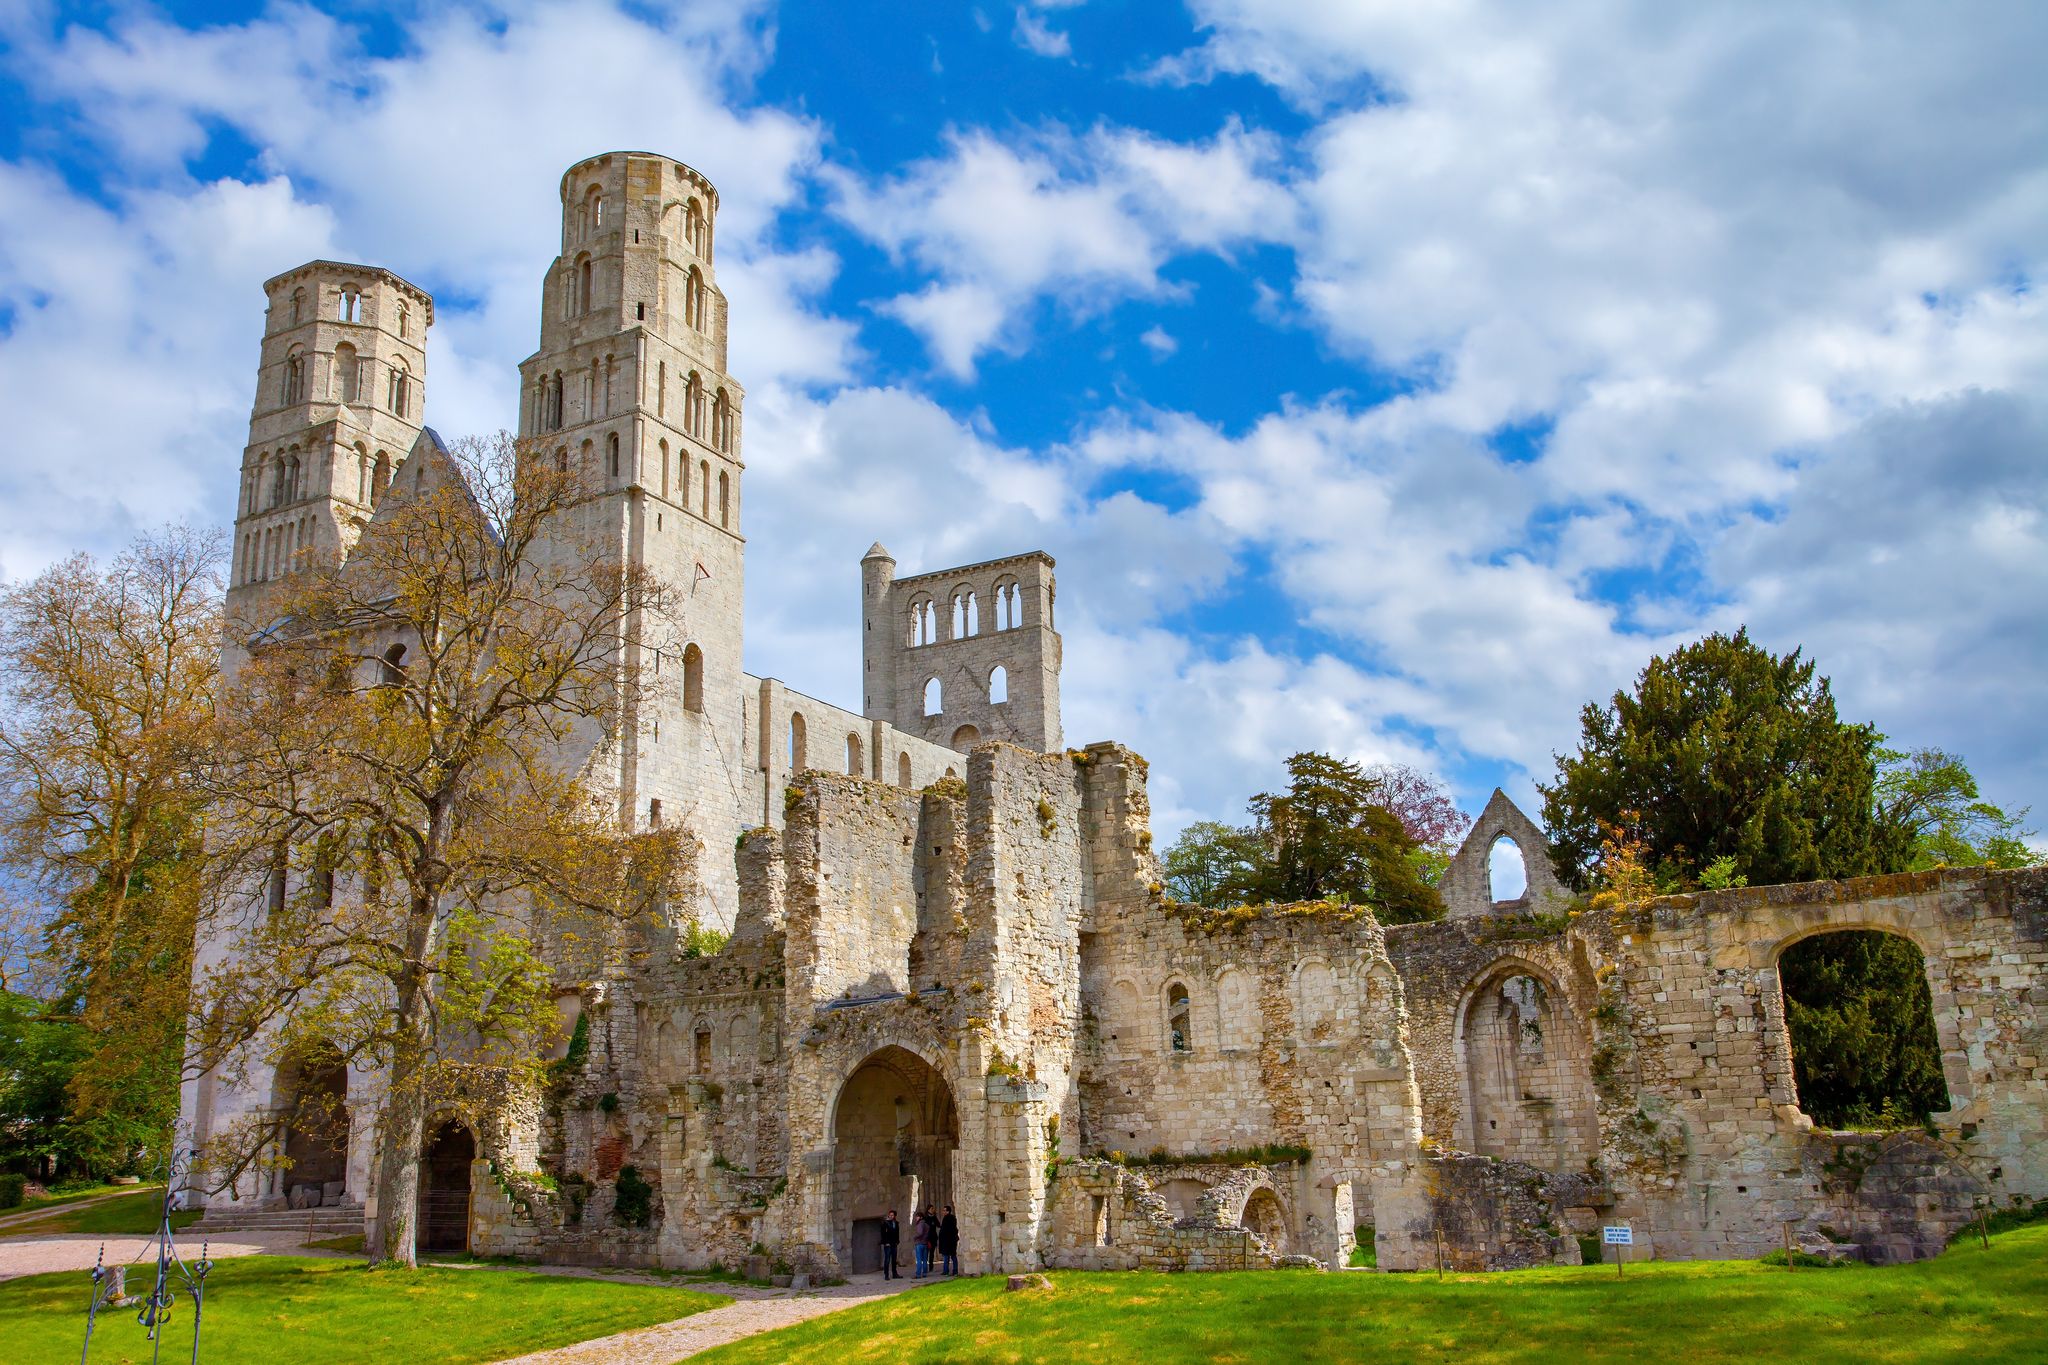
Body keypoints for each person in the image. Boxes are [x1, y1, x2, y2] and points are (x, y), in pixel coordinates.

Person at [879, 1209, 900, 1280]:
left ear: (894, 1216)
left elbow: (897, 1233)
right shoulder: (885, 1223)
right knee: (887, 1260)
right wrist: (885, 1242)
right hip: (888, 1244)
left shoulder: (896, 1223)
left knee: (894, 1260)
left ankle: (894, 1273)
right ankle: (886, 1274)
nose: (891, 1216)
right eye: (890, 1215)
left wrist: (897, 1241)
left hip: (894, 1244)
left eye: (892, 1215)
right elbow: (883, 1234)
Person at [939, 1203, 960, 1275]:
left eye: (945, 1211)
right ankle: (954, 1270)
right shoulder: (952, 1219)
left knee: (947, 1256)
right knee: (952, 1256)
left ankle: (946, 1270)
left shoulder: (947, 1219)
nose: (943, 1212)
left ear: (948, 1211)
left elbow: (945, 1230)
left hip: (948, 1241)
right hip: (951, 1240)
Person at [910, 1209, 931, 1278]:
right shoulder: (926, 1225)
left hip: (919, 1243)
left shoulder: (920, 1224)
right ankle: (924, 1273)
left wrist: (915, 1237)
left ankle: (918, 1274)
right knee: (925, 1260)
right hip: (925, 1243)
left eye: (917, 1217)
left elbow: (920, 1233)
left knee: (919, 1260)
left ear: (921, 1217)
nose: (916, 1218)